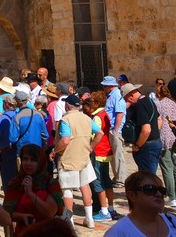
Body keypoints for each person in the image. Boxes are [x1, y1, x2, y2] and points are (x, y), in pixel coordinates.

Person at [50, 93, 98, 228]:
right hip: (83, 156)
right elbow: (99, 132)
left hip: (69, 157)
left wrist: (54, 151)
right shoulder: (87, 118)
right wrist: (91, 146)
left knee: (67, 189)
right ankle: (89, 219)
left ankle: (69, 220)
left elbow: (65, 140)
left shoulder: (66, 119)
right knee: (85, 186)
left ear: (67, 106)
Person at [105, 171, 176, 236]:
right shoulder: (118, 232)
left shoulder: (172, 222)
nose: (159, 194)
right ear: (132, 195)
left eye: (162, 190)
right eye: (150, 189)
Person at [2, 144, 61, 235]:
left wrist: (30, 193)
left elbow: (50, 212)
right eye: (25, 159)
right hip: (23, 233)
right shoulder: (16, 183)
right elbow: (6, 212)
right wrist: (22, 217)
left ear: (40, 162)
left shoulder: (50, 183)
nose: (28, 163)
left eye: (33, 160)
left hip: (46, 232)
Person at [84, 90, 115, 222]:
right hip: (106, 150)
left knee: (98, 181)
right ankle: (111, 208)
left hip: (98, 151)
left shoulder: (97, 116)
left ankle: (103, 210)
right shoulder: (105, 114)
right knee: (106, 180)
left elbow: (95, 134)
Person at [156, 82, 176, 208]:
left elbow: (159, 121)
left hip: (165, 138)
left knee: (167, 168)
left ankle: (172, 196)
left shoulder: (159, 104)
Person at [123, 82, 162, 173]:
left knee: (147, 177)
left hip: (147, 146)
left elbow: (146, 130)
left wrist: (137, 145)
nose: (127, 102)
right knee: (151, 174)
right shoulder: (149, 100)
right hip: (155, 142)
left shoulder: (140, 105)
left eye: (126, 99)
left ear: (131, 95)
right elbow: (159, 119)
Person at [101, 76, 128, 185]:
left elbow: (120, 114)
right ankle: (117, 177)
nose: (103, 87)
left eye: (104, 86)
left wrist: (116, 130)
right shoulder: (111, 96)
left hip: (114, 129)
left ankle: (121, 179)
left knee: (118, 155)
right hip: (110, 128)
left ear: (109, 86)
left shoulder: (117, 95)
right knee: (113, 155)